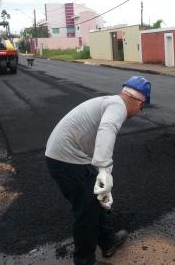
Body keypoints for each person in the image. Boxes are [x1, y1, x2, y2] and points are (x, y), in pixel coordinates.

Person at [45, 76, 151, 265]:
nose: (139, 111)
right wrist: (104, 169)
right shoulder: (118, 107)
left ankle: (109, 242)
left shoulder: (110, 101)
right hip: (66, 160)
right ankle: (84, 261)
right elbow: (107, 128)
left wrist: (99, 171)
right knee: (86, 213)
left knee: (94, 202)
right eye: (142, 107)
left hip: (69, 156)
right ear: (139, 102)